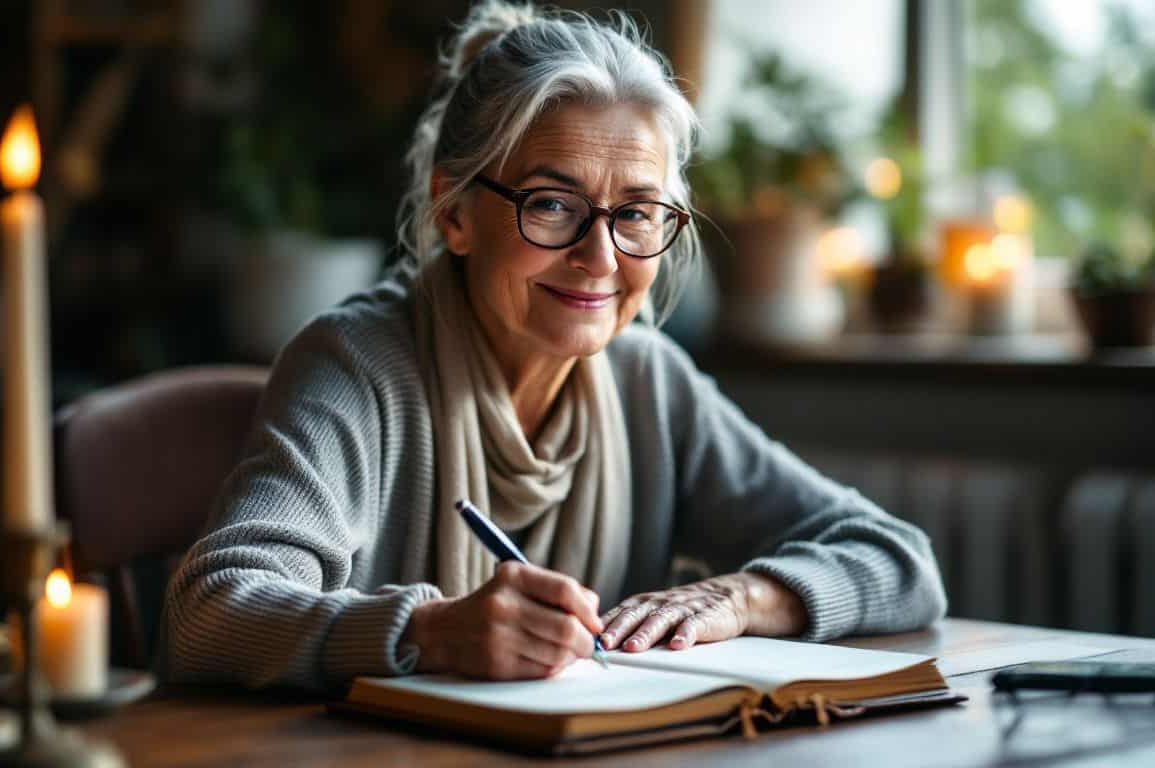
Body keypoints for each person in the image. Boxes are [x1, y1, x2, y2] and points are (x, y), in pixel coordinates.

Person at [163, 1, 946, 691]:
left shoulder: (649, 382)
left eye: (637, 213)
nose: (601, 258)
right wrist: (428, 633)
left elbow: (897, 559)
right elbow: (211, 611)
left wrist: (741, 598)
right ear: (455, 211)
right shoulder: (357, 368)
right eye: (551, 204)